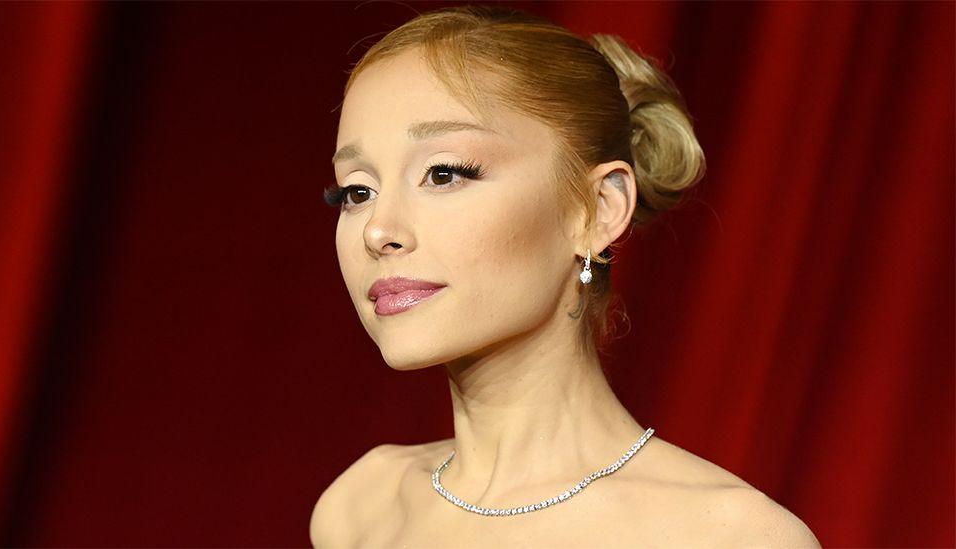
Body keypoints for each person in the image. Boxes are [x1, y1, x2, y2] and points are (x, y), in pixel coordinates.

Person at [310, 4, 820, 547]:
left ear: (596, 209)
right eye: (357, 191)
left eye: (442, 173)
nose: (378, 230)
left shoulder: (729, 537)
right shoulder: (361, 509)